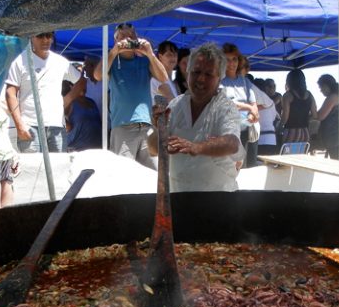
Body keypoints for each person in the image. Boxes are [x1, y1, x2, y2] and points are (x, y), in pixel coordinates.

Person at [148, 43, 242, 192]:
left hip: (218, 202)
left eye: (209, 74)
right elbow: (153, 149)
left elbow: (232, 143)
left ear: (219, 78)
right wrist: (160, 129)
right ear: (188, 72)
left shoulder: (226, 108)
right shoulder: (175, 106)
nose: (201, 79)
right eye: (196, 72)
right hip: (179, 199)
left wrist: (196, 147)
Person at [94, 23, 168, 169]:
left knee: (153, 174)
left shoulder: (144, 61)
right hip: (123, 126)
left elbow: (164, 77)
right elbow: (97, 75)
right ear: (116, 40)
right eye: (123, 36)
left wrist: (150, 53)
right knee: (123, 174)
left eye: (132, 36)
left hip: (146, 126)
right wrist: (114, 51)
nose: (128, 39)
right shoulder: (112, 62)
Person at [5, 32, 84, 153]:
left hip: (56, 125)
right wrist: (19, 125)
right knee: (32, 168)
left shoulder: (61, 61)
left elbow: (81, 81)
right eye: (40, 36)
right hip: (29, 125)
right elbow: (10, 93)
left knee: (58, 168)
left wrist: (66, 101)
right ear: (32, 37)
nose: (45, 40)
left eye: (49, 36)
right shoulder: (20, 61)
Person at [219, 43, 259, 168]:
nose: (231, 63)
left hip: (245, 131)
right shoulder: (218, 81)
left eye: (234, 59)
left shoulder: (245, 81)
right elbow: (228, 104)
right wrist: (249, 108)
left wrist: (253, 114)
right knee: (230, 169)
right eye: (227, 60)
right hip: (228, 133)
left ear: (239, 60)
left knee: (244, 167)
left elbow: (254, 104)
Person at [281, 69, 317, 145]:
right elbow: (315, 115)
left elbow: (285, 117)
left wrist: (279, 127)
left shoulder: (287, 95)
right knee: (301, 156)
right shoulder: (309, 95)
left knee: (287, 156)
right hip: (305, 132)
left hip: (291, 131)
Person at [253, 78, 279, 156]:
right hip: (271, 139)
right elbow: (274, 118)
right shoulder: (270, 102)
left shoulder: (252, 104)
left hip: (259, 139)